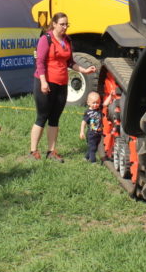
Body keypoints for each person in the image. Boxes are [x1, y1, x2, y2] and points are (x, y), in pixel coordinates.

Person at [30, 12, 96, 161]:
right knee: (42, 117)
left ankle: (51, 151)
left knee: (55, 118)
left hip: (62, 83)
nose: (65, 27)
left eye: (67, 24)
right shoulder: (45, 39)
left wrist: (85, 70)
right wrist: (43, 81)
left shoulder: (67, 40)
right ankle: (33, 151)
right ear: (54, 24)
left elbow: (70, 62)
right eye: (62, 24)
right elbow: (39, 62)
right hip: (46, 83)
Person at [80, 91, 103, 163]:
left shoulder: (99, 109)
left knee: (94, 147)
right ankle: (93, 162)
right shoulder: (88, 112)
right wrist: (82, 132)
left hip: (98, 133)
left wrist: (110, 96)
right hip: (91, 134)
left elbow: (105, 104)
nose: (96, 105)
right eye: (94, 103)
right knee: (93, 148)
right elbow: (83, 122)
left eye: (97, 102)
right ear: (88, 103)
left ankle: (86, 157)